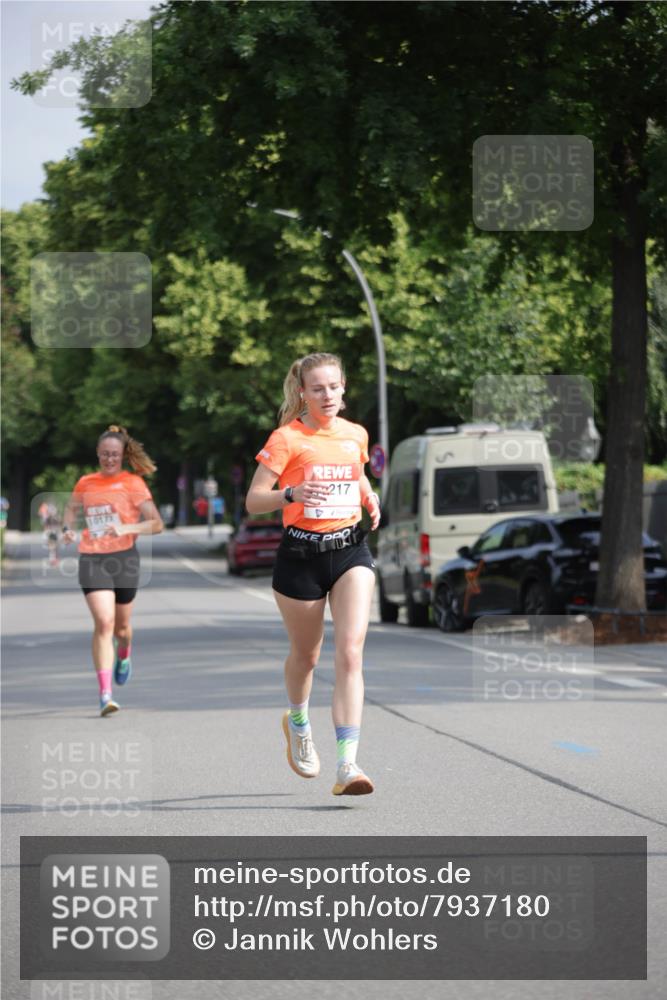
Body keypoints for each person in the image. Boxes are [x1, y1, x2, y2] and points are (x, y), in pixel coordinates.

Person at [246, 353, 381, 796]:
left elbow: (356, 473)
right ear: (302, 392)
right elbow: (254, 500)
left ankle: (347, 764)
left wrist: (368, 495)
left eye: (334, 387)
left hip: (350, 549)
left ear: (344, 388)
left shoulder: (355, 433)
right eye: (317, 388)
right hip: (301, 556)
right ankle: (298, 721)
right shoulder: (287, 438)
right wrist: (292, 493)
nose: (327, 395)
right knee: (307, 657)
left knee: (351, 653)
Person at [62, 425, 163, 716]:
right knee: (104, 623)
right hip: (92, 558)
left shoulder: (133, 483)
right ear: (98, 453)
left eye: (114, 455)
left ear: (122, 455)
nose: (109, 459)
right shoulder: (86, 482)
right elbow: (70, 510)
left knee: (121, 629)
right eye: (105, 454)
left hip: (124, 559)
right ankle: (105, 694)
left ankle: (124, 652)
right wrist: (67, 529)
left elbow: (156, 524)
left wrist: (126, 528)